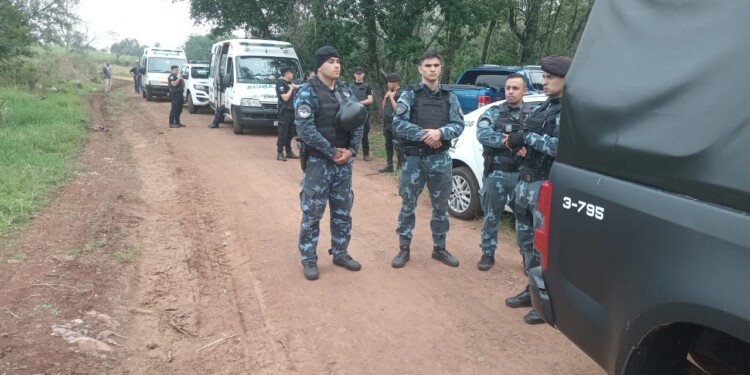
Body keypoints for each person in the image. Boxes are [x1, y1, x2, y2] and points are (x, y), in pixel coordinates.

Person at [503, 56, 572, 325]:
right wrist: (519, 145)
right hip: (527, 183)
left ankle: (548, 301)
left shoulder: (571, 111)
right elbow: (528, 134)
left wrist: (527, 138)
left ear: (567, 80)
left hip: (546, 187)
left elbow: (561, 148)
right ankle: (533, 291)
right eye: (543, 78)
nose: (544, 82)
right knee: (527, 244)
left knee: (546, 250)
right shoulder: (546, 105)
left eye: (550, 78)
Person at [294, 46, 365, 281]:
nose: (337, 65)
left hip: (343, 164)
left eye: (338, 61)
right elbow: (305, 129)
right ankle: (308, 259)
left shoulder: (345, 91)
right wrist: (332, 151)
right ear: (320, 65)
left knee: (343, 212)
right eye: (332, 62)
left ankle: (341, 253)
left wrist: (352, 151)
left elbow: (358, 120)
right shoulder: (307, 91)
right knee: (313, 212)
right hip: (319, 162)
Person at [390, 51, 465, 269]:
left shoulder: (449, 97)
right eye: (428, 65)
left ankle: (439, 249)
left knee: (441, 207)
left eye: (436, 65)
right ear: (420, 69)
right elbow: (398, 123)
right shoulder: (410, 95)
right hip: (415, 160)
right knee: (408, 205)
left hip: (440, 159)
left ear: (440, 68)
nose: (433, 69)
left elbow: (459, 125)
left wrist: (440, 133)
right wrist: (426, 135)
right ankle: (404, 249)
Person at [475, 73, 532, 271]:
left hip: (523, 176)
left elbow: (539, 138)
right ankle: (487, 252)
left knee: (524, 220)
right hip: (496, 174)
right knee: (491, 215)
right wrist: (508, 142)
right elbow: (482, 133)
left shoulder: (534, 114)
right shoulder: (493, 112)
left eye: (515, 88)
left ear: (525, 90)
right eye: (508, 88)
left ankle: (527, 257)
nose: (510, 92)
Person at [378, 72, 405, 173]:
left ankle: (400, 166)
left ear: (395, 82)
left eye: (389, 82)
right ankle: (389, 166)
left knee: (397, 144)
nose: (387, 84)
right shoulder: (389, 92)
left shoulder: (401, 93)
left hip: (396, 123)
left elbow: (398, 109)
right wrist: (385, 97)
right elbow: (383, 106)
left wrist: (392, 98)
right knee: (388, 144)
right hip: (387, 122)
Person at [349, 67, 374, 161]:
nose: (358, 75)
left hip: (364, 113)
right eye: (357, 74)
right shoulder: (349, 87)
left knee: (364, 134)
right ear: (354, 75)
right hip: (352, 113)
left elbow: (370, 100)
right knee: (350, 133)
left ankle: (366, 154)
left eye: (360, 74)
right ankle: (350, 153)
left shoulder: (367, 86)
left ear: (363, 74)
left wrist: (358, 103)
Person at [275, 67, 299, 161]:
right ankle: (280, 152)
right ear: (286, 74)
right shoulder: (280, 84)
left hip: (292, 112)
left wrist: (294, 87)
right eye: (291, 73)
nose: (292, 75)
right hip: (284, 112)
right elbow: (285, 98)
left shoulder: (290, 84)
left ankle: (289, 152)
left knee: (291, 132)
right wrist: (291, 89)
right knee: (283, 133)